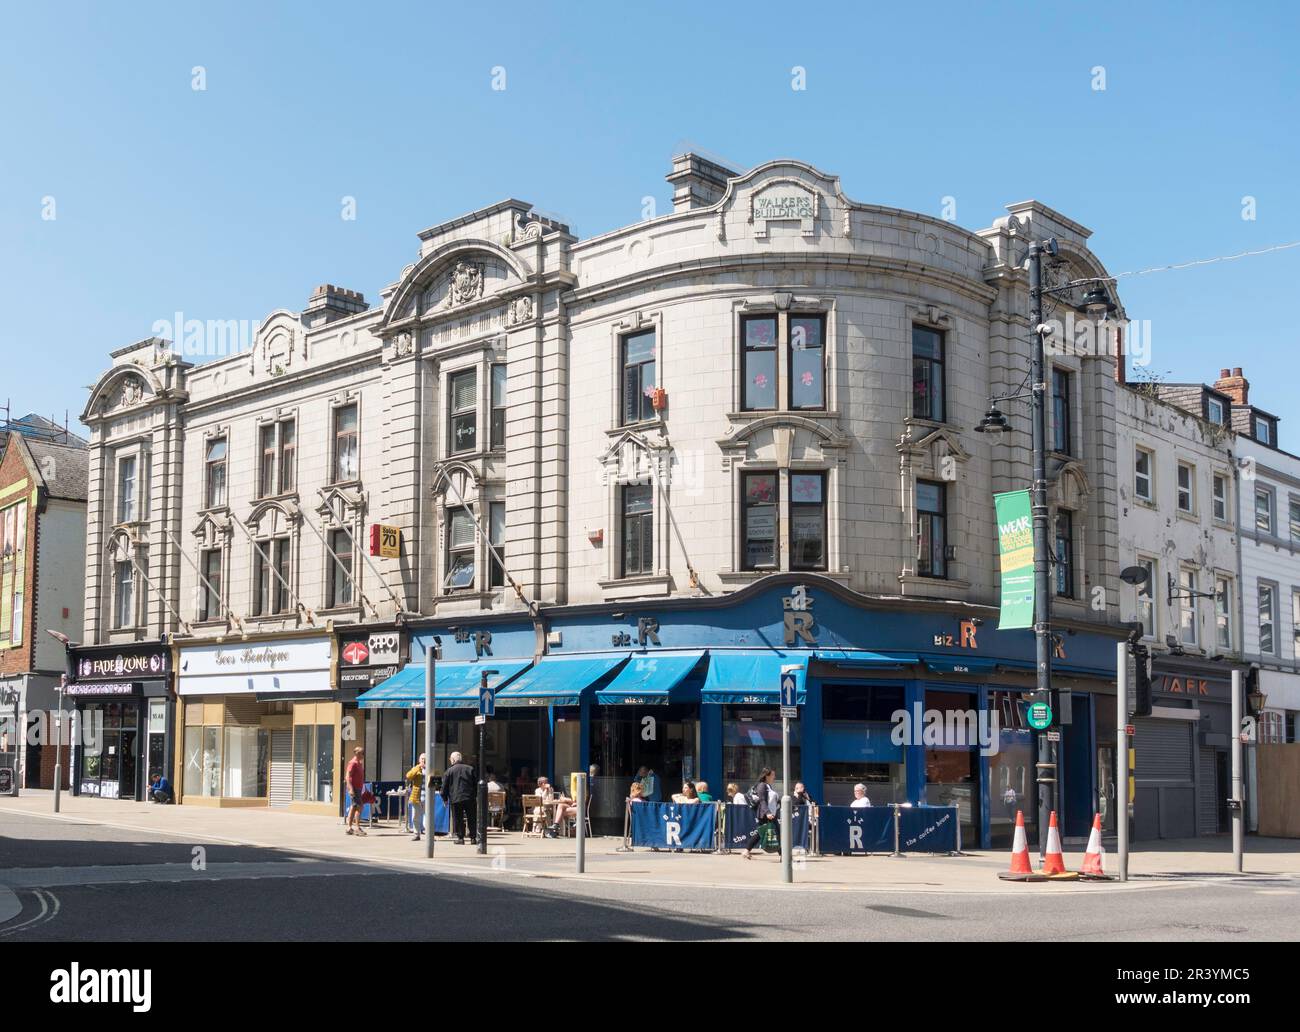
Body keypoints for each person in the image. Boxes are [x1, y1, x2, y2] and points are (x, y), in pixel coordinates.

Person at [441, 751, 477, 844]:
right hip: (469, 797)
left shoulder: (449, 771)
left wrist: (444, 798)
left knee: (458, 818)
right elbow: (475, 784)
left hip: (456, 798)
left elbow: (444, 786)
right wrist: (475, 795)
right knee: (471, 817)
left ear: (453, 760)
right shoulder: (470, 769)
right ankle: (473, 838)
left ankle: (460, 838)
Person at [743, 769, 779, 859]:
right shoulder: (762, 786)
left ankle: (746, 851)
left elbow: (771, 800)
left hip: (770, 814)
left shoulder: (768, 786)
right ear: (767, 776)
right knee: (776, 833)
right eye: (773, 775)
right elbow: (762, 801)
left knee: (760, 833)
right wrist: (768, 813)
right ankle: (784, 855)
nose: (774, 777)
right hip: (766, 815)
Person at [345, 747, 367, 836]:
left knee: (354, 807)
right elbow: (347, 776)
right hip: (354, 788)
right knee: (359, 806)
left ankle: (349, 827)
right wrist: (350, 788)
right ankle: (357, 827)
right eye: (362, 753)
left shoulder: (359, 763)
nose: (363, 755)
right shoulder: (353, 763)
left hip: (358, 788)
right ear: (357, 753)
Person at [406, 753, 427, 841]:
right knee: (415, 816)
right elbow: (408, 776)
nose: (423, 760)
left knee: (427, 816)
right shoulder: (416, 768)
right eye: (422, 759)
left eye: (425, 759)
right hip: (417, 797)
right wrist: (418, 767)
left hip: (427, 797)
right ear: (419, 760)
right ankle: (416, 834)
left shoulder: (430, 768)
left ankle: (428, 834)